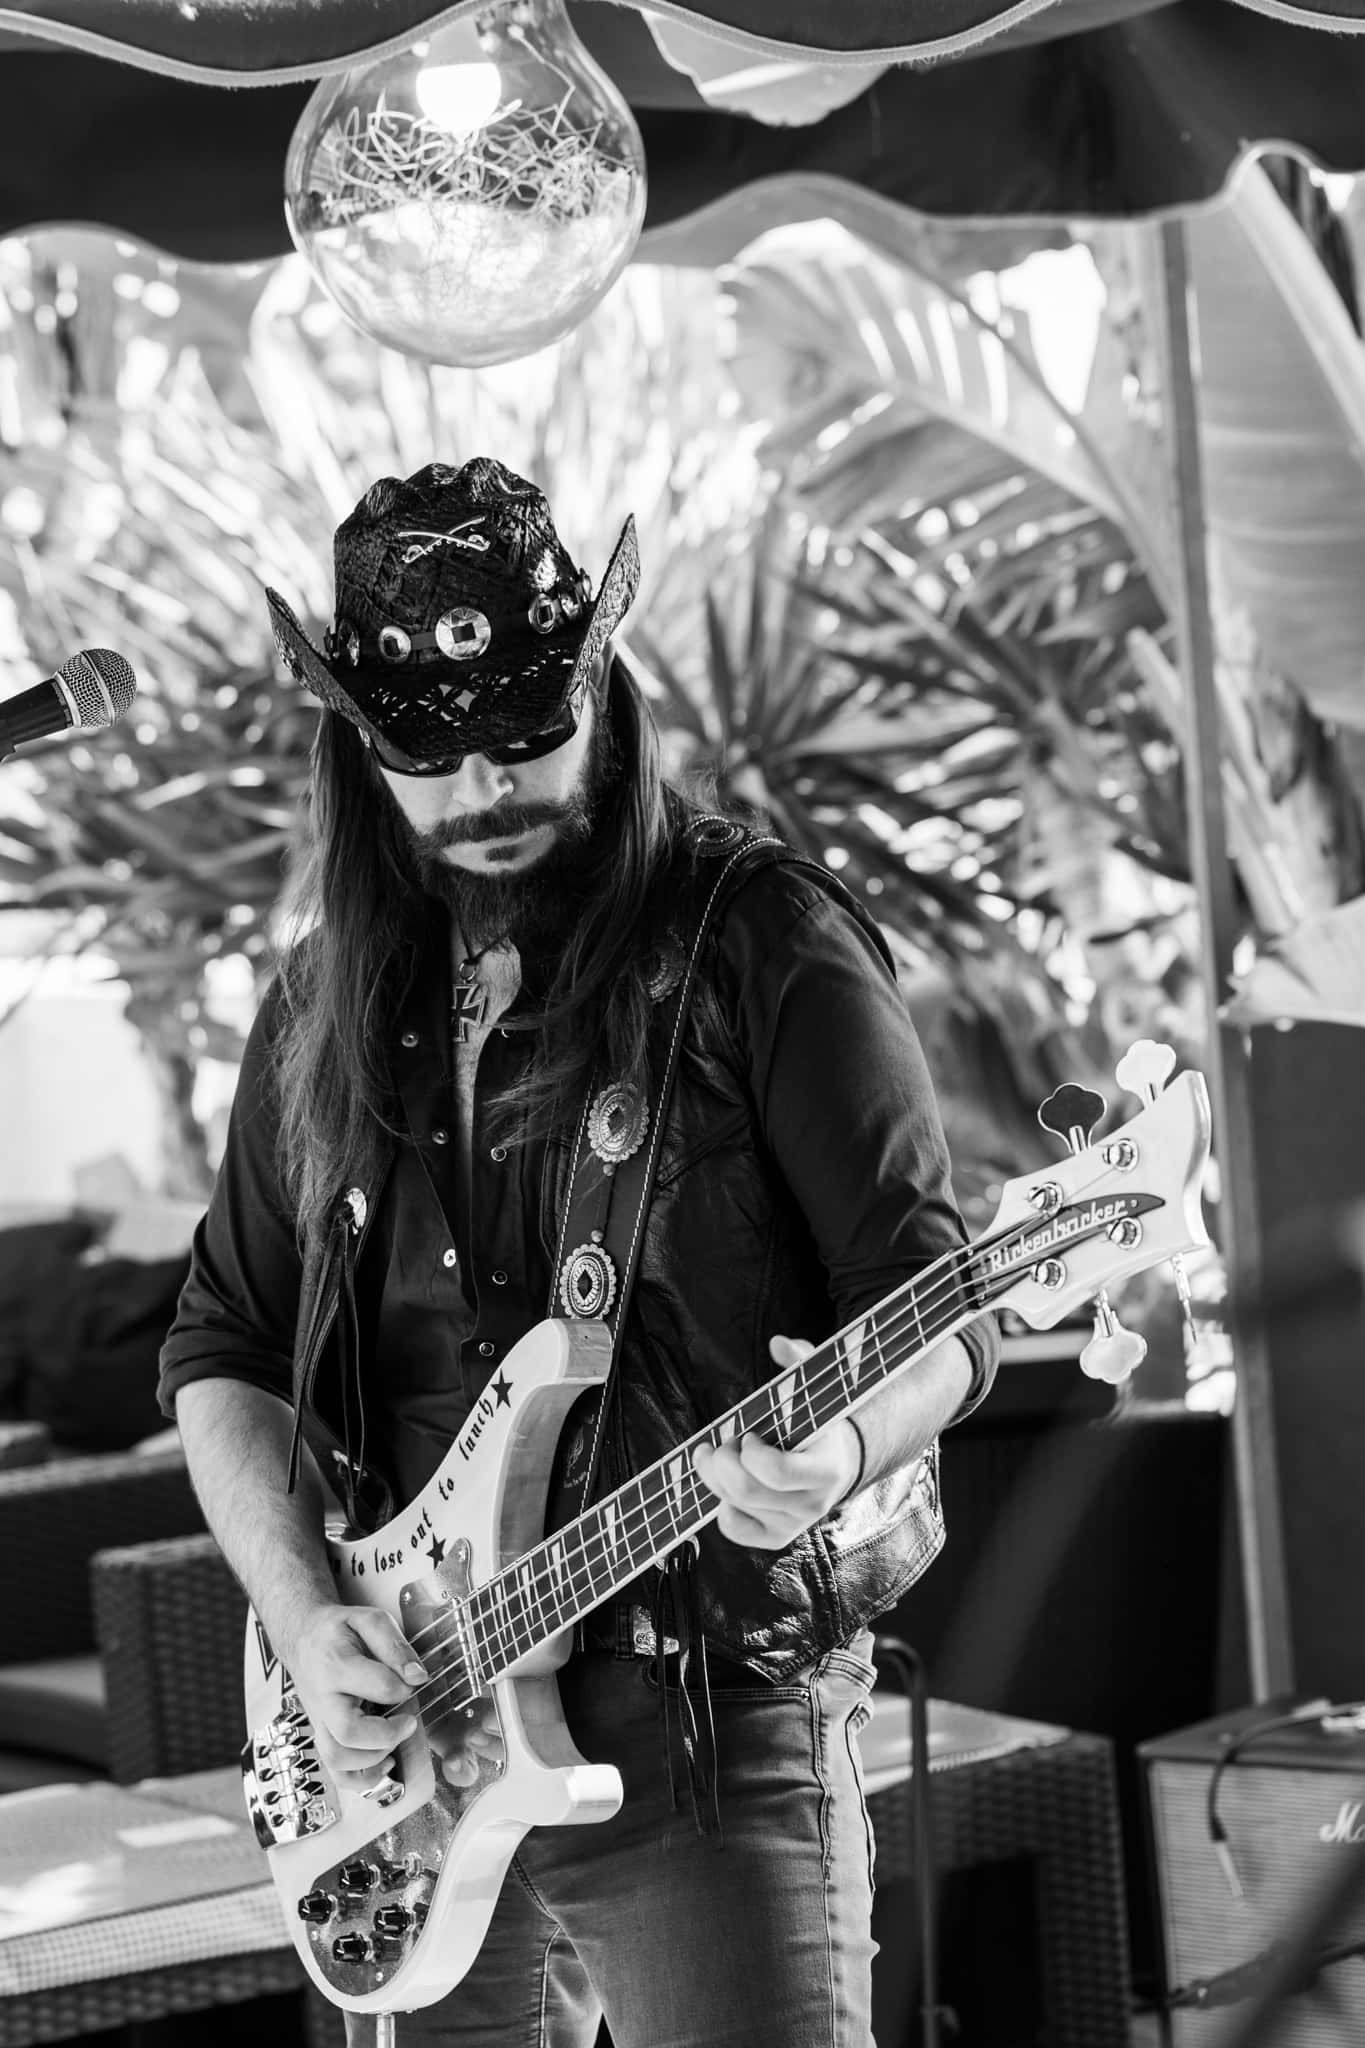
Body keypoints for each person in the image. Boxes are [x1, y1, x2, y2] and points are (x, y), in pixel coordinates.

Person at [159, 457, 1000, 2048]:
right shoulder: (320, 1004)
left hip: (704, 1708)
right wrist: (295, 1609)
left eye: (527, 734)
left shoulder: (760, 941)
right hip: (400, 1750)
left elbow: (942, 1317)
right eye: (430, 754)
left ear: (601, 691)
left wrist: (835, 1450)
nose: (486, 789)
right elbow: (222, 1352)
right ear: (358, 745)